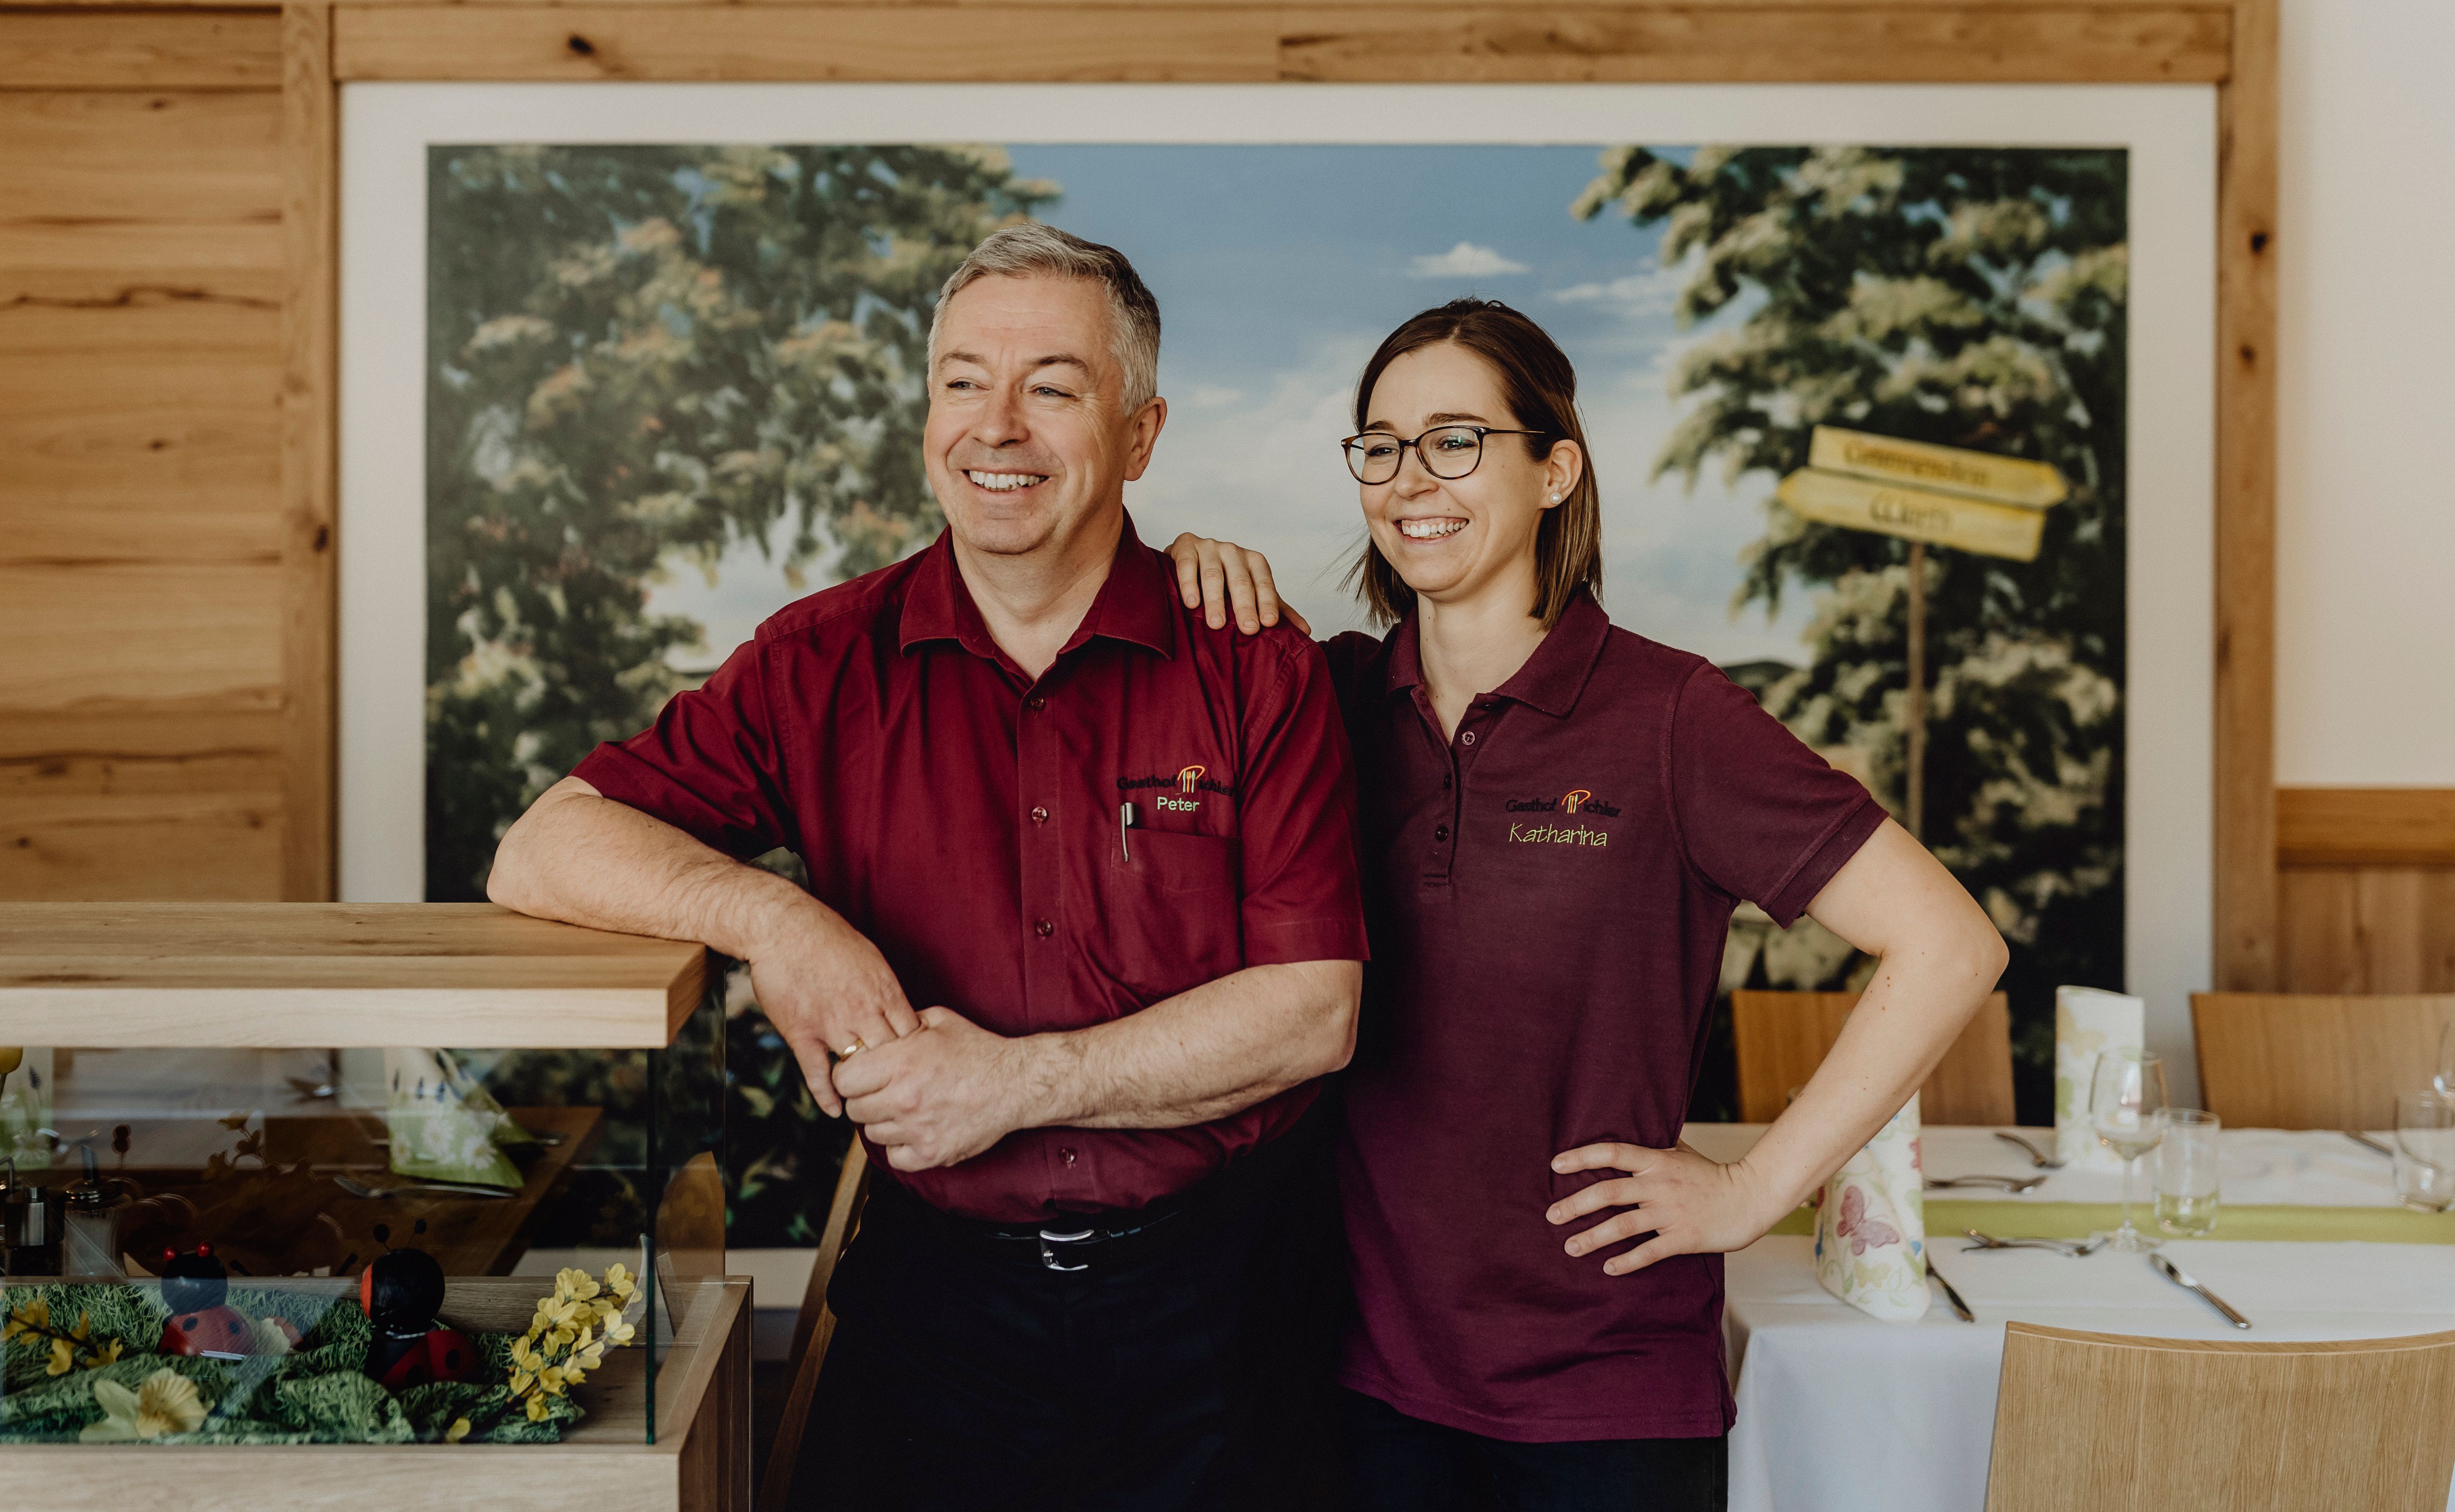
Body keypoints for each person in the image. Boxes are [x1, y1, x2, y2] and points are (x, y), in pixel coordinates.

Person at [487, 223, 1368, 1509]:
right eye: (964, 379)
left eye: (1052, 386)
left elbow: (1314, 1012)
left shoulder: (1251, 660)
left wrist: (1012, 1085)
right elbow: (543, 844)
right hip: (936, 1317)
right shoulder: (817, 661)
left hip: (1228, 1312)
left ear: (1140, 433)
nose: (995, 425)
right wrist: (774, 918)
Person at [1168, 299, 2008, 1511]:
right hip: (1355, 1378)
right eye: (1382, 443)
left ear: (1555, 467)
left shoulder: (1672, 717)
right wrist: (1188, 568)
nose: (1413, 478)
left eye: (1456, 439)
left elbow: (1946, 943)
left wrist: (1753, 1188)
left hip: (1601, 1392)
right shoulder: (1324, 699)